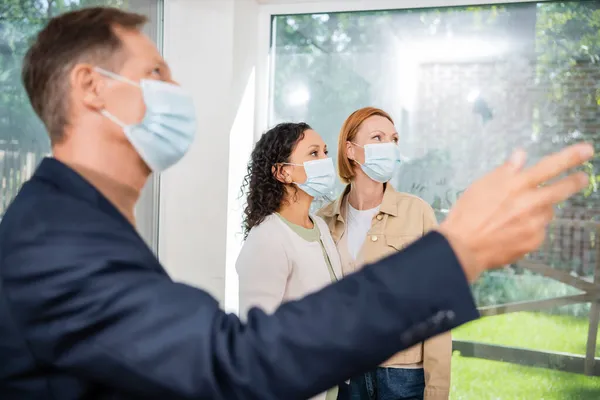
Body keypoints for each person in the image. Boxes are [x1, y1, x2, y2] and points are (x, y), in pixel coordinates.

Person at [0, 7, 592, 400]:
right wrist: (454, 254)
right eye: (156, 71)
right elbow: (235, 362)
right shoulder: (57, 240)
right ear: (91, 87)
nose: (176, 91)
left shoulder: (78, 224)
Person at [319, 107, 450, 400]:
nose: (389, 146)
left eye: (393, 138)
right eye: (377, 137)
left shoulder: (417, 213)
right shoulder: (324, 220)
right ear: (351, 150)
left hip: (402, 378)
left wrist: (438, 390)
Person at [236, 122, 345, 400]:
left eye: (324, 152)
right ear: (283, 172)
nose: (325, 161)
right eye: (313, 154)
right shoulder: (268, 238)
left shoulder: (319, 226)